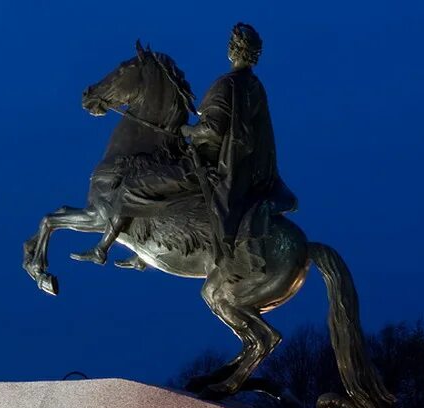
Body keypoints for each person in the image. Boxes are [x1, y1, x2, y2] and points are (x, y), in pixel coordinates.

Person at [72, 22, 295, 267]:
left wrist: (187, 129)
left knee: (131, 188)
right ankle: (143, 253)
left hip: (206, 165)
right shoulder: (255, 87)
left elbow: (212, 130)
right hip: (237, 169)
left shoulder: (228, 84)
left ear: (232, 51)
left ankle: (102, 249)